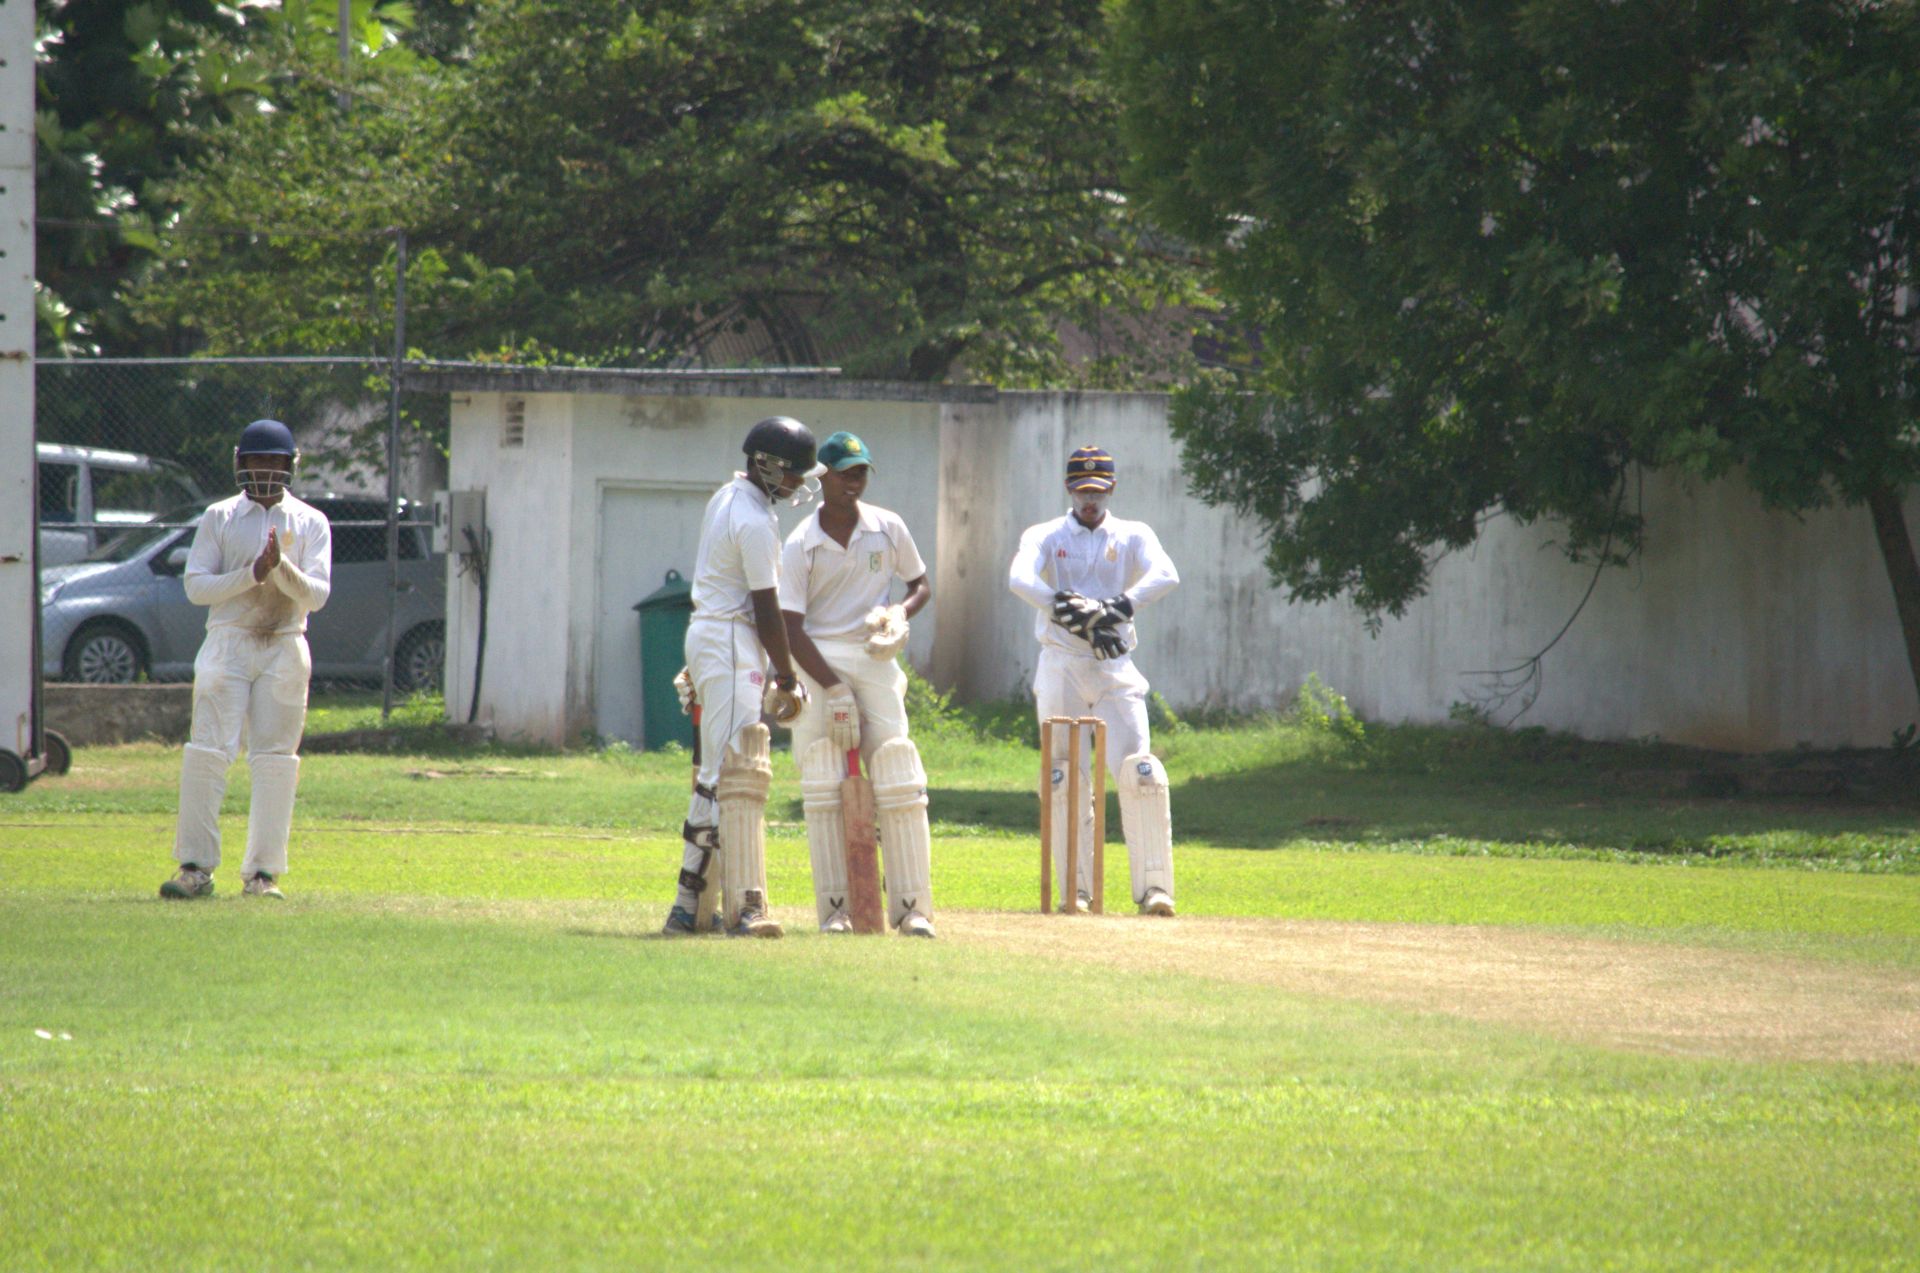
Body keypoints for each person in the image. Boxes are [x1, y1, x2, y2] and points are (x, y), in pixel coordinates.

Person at [160, 419, 332, 901]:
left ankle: (263, 874)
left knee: (275, 758)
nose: (266, 470)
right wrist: (252, 573)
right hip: (228, 639)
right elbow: (196, 587)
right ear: (241, 462)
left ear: (290, 465)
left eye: (275, 462)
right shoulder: (219, 517)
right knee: (209, 751)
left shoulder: (311, 522)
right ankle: (194, 868)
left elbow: (317, 596)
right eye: (258, 460)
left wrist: (281, 570)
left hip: (285, 641)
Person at [661, 416, 818, 938]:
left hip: (717, 635)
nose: (799, 484)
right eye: (793, 474)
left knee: (728, 770)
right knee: (727, 775)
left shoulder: (727, 497)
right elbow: (767, 607)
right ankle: (699, 908)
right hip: (729, 639)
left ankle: (708, 906)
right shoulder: (751, 519)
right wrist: (788, 676)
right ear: (766, 466)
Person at [1008, 444, 1180, 916]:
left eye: (1099, 490)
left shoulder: (1131, 534)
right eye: (1082, 489)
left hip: (1114, 666)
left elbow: (1167, 574)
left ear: (1112, 489)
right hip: (1061, 663)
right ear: (1068, 487)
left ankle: (1154, 890)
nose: (1090, 499)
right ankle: (1076, 891)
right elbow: (1018, 578)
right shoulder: (1044, 534)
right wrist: (1067, 608)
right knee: (1064, 776)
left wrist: (1116, 609)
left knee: (1139, 772)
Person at [778, 431, 936, 937]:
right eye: (846, 472)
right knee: (823, 777)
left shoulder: (888, 527)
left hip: (873, 653)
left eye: (861, 471)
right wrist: (833, 688)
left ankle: (912, 908)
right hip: (815, 659)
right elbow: (789, 625)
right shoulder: (801, 542)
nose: (855, 481)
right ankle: (837, 909)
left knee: (896, 771)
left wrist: (898, 614)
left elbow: (920, 584)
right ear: (823, 477)